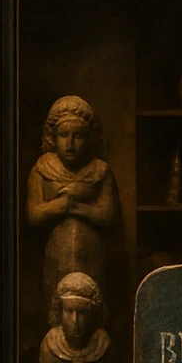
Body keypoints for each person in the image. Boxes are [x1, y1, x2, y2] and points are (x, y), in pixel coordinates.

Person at [25, 95, 120, 298]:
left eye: (77, 136)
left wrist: (75, 206)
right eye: (63, 135)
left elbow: (109, 216)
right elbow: (33, 215)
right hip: (55, 255)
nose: (70, 143)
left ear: (89, 139)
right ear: (53, 137)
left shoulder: (100, 171)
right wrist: (62, 204)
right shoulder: (42, 170)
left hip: (92, 254)